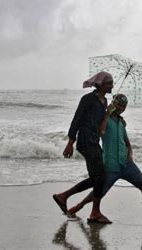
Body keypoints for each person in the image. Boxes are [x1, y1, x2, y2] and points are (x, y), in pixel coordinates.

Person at [67, 94, 142, 222]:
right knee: (100, 191)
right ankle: (79, 206)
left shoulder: (121, 123)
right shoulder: (104, 119)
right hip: (110, 165)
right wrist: (107, 114)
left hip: (126, 164)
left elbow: (127, 143)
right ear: (113, 104)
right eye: (119, 105)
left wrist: (130, 155)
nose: (121, 108)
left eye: (124, 106)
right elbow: (101, 132)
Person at [53, 71, 113, 223]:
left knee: (98, 178)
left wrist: (110, 113)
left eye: (112, 83)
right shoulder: (87, 99)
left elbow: (101, 127)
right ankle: (95, 212)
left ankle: (63, 196)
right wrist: (70, 143)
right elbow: (76, 120)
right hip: (85, 141)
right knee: (101, 176)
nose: (112, 85)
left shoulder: (104, 102)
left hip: (94, 141)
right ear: (100, 84)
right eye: (109, 83)